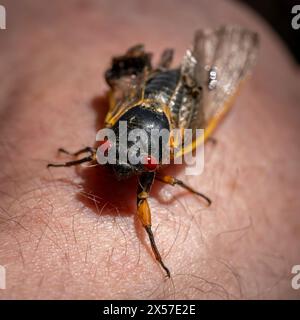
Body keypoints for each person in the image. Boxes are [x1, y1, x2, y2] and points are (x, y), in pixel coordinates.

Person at [0, 0, 299, 299]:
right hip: (145, 99)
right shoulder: (114, 136)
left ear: (153, 161)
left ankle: (153, 247)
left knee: (210, 109)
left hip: (179, 105)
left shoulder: (173, 141)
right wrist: (73, 161)